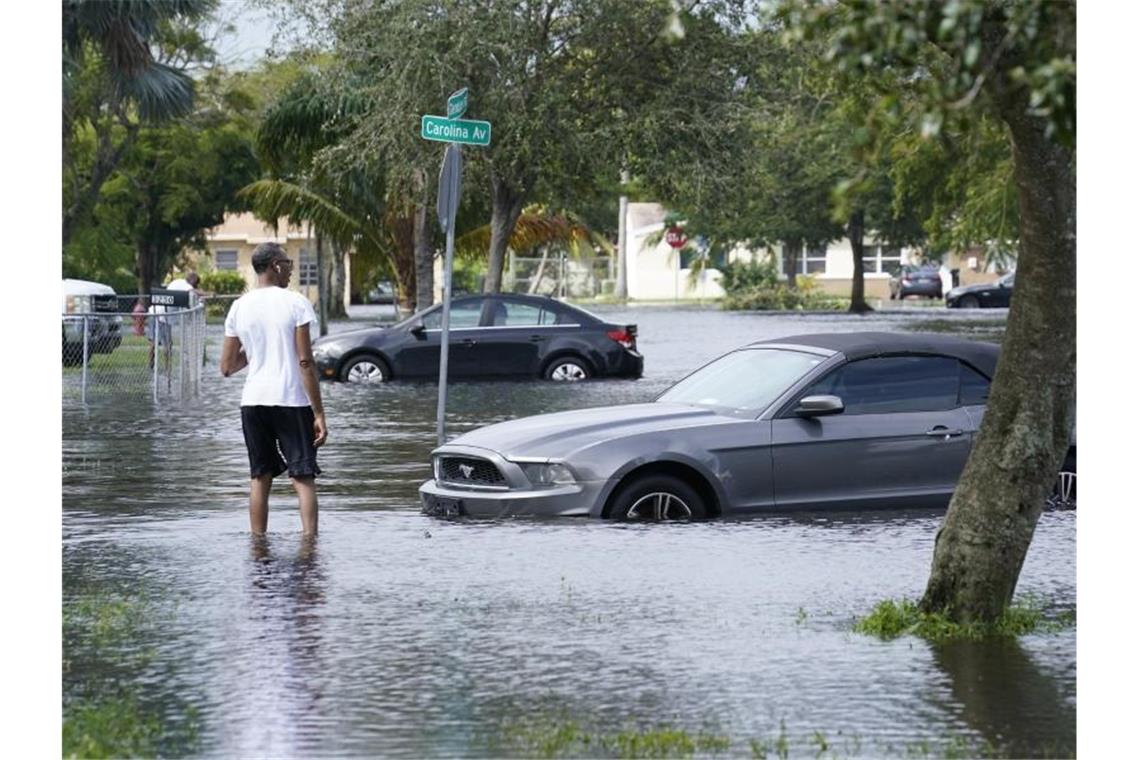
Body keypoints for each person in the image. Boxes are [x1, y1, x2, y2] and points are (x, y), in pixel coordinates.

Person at [221, 243, 328, 535]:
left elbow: (227, 366)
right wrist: (318, 412)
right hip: (291, 399)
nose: (291, 270)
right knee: (303, 476)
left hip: (253, 402)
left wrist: (258, 349)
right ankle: (310, 544)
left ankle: (258, 545)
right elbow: (304, 361)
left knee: (260, 476)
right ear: (274, 266)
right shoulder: (296, 302)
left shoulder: (239, 306)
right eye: (288, 264)